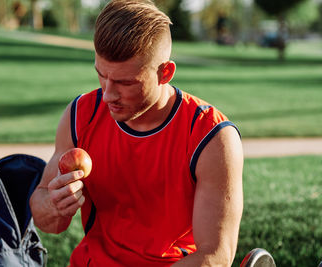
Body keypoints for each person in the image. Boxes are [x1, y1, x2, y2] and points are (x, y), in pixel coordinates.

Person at [29, 0, 243, 266]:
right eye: (101, 75)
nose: (107, 95)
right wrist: (54, 205)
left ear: (165, 73)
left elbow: (215, 255)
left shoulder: (210, 137)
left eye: (125, 83)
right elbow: (46, 219)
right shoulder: (80, 115)